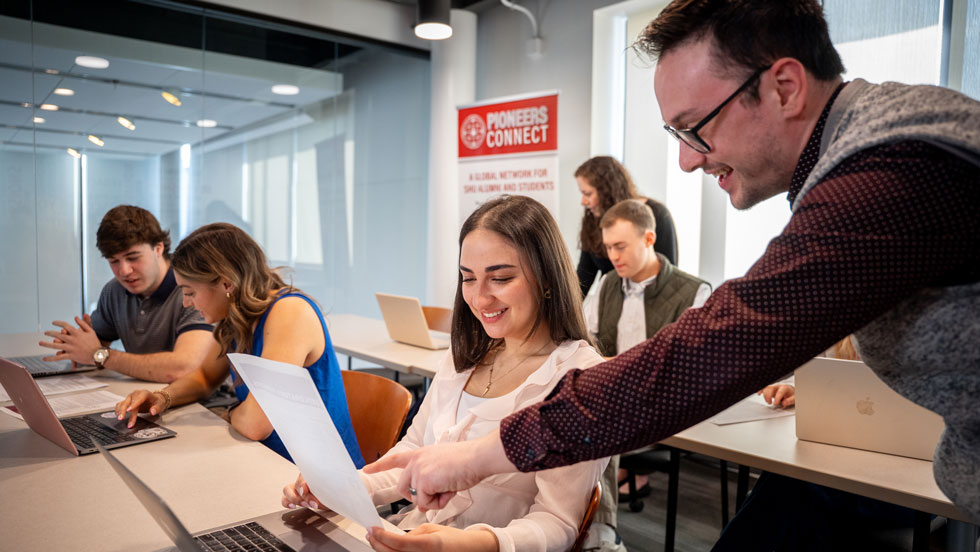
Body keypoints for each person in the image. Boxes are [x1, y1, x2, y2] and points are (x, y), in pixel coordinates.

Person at [363, 0, 980, 526]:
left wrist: (482, 452)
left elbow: (715, 348)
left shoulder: (893, 166)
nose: (687, 162)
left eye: (695, 129)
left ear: (784, 87)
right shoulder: (869, 152)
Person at [282, 195, 608, 552]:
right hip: (411, 537)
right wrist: (339, 488)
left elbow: (558, 522)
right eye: (468, 279)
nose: (480, 299)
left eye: (500, 278)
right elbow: (412, 456)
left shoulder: (580, 377)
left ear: (547, 280)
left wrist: (472, 544)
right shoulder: (465, 355)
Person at [114, 222, 363, 466]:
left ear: (226, 284)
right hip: (269, 462)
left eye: (189, 292)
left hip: (320, 482)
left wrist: (230, 412)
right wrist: (162, 397)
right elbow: (204, 377)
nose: (186, 303)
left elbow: (255, 424)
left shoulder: (290, 312)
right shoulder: (236, 317)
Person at [582, 199, 710, 551]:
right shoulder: (607, 284)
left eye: (620, 246)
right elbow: (586, 344)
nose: (613, 256)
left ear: (649, 238)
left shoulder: (693, 291)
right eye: (608, 248)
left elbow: (691, 369)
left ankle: (600, 532)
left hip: (666, 404)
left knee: (594, 428)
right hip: (617, 399)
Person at [38, 205, 214, 382]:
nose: (124, 271)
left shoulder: (191, 289)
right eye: (114, 261)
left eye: (133, 257)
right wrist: (77, 347)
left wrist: (100, 355)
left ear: (158, 248)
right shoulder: (114, 291)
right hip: (144, 394)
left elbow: (183, 368)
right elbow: (93, 354)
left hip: (202, 403)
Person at [575, 156, 679, 297]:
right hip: (610, 304)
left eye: (587, 194)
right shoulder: (592, 220)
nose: (583, 201)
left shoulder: (657, 215)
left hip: (650, 302)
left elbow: (668, 274)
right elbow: (584, 276)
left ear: (607, 191)